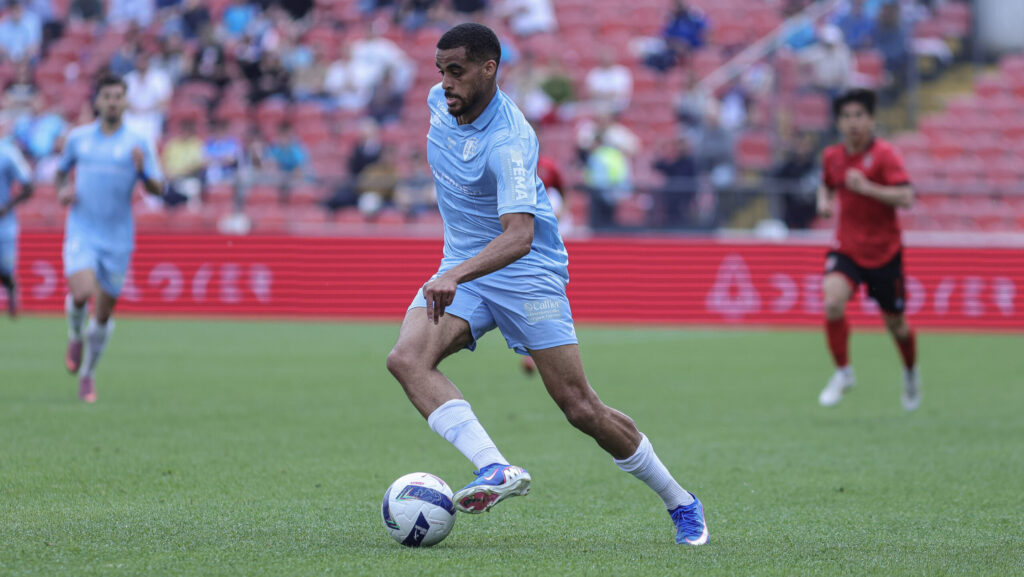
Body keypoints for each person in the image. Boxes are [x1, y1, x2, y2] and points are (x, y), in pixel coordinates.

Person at [385, 23, 708, 546]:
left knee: (580, 407)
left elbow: (519, 236)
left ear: (489, 69)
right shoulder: (439, 103)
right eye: (441, 71)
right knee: (406, 358)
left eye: (457, 71)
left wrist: (454, 274)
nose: (445, 83)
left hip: (526, 273)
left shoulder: (509, 141)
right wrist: (457, 268)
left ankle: (681, 502)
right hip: (464, 265)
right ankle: (495, 468)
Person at [57, 75, 165, 403]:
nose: (113, 102)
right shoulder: (78, 138)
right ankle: (75, 333)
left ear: (125, 101)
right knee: (81, 291)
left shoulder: (138, 142)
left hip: (118, 238)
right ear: (98, 101)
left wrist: (143, 171)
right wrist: (63, 190)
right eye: (107, 96)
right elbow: (61, 172)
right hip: (82, 230)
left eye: (118, 96)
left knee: (103, 314)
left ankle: (88, 373)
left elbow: (159, 188)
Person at [816, 88, 920, 411]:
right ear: (838, 123)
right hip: (847, 248)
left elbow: (907, 197)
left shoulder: (885, 155)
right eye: (846, 116)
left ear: (871, 120)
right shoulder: (832, 156)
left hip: (884, 253)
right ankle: (844, 372)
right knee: (833, 302)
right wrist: (824, 202)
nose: (853, 122)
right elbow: (827, 184)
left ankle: (910, 371)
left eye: (859, 115)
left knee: (896, 325)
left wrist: (868, 188)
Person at [0, 133, 34, 317]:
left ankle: (11, 289)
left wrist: (7, 207)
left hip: (3, 224)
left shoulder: (8, 153)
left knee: (5, 269)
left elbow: (29, 186)